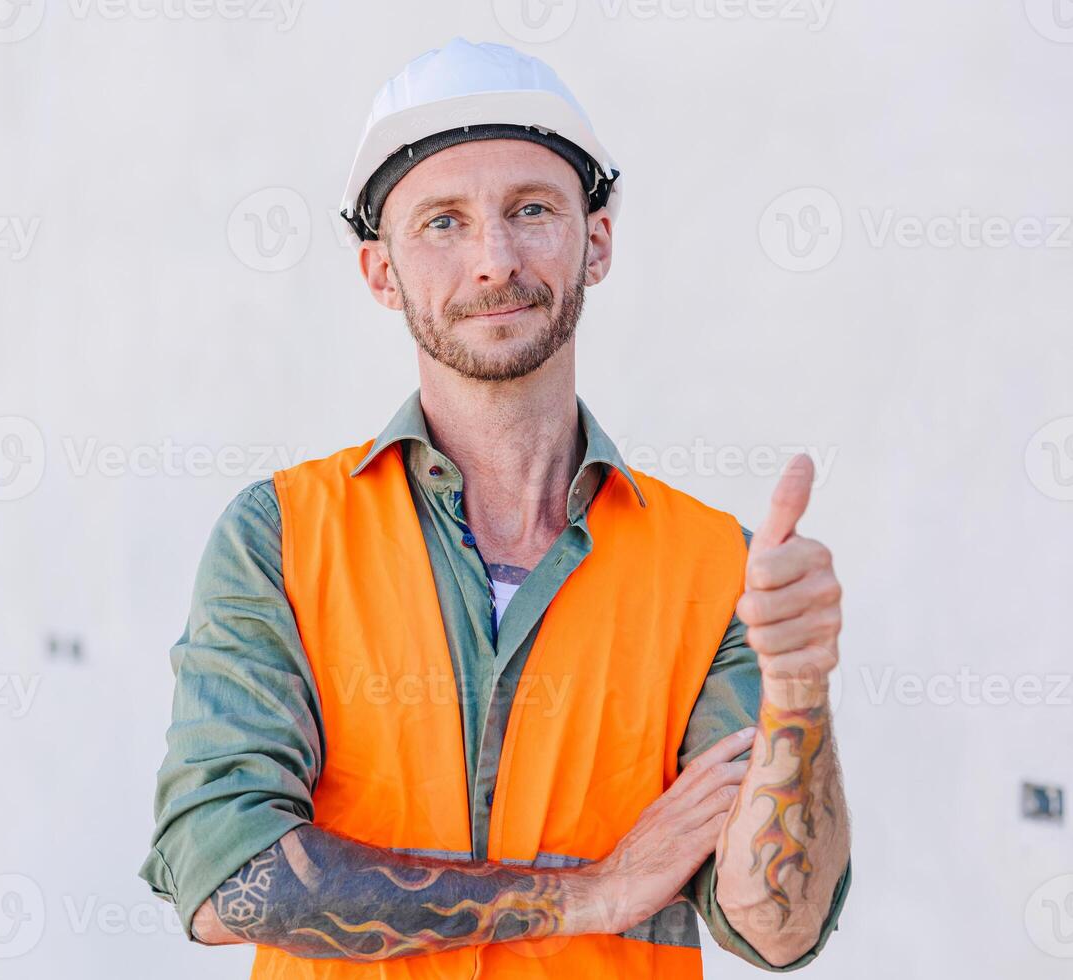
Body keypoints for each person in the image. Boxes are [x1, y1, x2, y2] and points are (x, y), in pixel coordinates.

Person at [139, 37, 851, 978]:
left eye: (531, 209)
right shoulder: (279, 538)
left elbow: (776, 928)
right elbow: (222, 876)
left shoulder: (717, 568)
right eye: (442, 221)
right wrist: (587, 896)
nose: (493, 259)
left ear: (593, 241)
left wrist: (801, 692)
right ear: (381, 272)